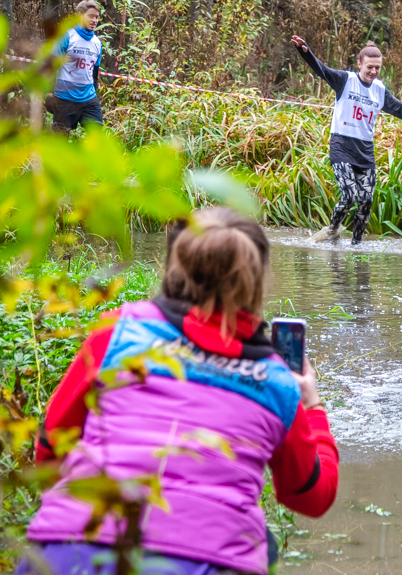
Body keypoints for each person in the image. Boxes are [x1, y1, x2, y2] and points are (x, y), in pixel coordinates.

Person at [17, 207, 340, 575]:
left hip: (71, 550)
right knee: (262, 545)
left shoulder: (117, 333)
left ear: (176, 265)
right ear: (256, 282)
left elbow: (50, 447)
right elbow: (311, 496)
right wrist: (312, 406)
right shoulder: (277, 381)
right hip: (206, 562)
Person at [290, 35, 402, 245]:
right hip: (342, 146)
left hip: (364, 151)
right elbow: (321, 69)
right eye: (369, 67)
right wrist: (305, 51)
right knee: (349, 196)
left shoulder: (380, 90)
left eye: (377, 68)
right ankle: (332, 230)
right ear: (359, 64)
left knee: (366, 201)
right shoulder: (345, 80)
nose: (373, 72)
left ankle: (356, 245)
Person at [46, 0, 105, 132]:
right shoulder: (67, 36)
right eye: (90, 16)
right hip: (64, 98)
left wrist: (94, 92)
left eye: (96, 17)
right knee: (60, 142)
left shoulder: (97, 43)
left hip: (88, 98)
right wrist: (49, 93)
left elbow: (94, 72)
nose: (94, 20)